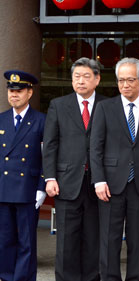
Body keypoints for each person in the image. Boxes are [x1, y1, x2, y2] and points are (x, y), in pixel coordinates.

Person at [90, 57, 139, 281]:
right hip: (110, 185)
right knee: (109, 239)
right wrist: (98, 180)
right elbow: (95, 147)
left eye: (130, 80)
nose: (125, 85)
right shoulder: (104, 108)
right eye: (121, 80)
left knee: (138, 240)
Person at [43, 57, 105, 281]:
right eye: (76, 77)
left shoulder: (107, 105)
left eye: (86, 76)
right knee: (66, 240)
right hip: (66, 182)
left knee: (93, 239)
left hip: (97, 184)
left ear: (97, 79)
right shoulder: (59, 105)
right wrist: (49, 177)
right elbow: (50, 144)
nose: (81, 81)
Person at [0, 70, 45, 281]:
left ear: (29, 92)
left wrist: (42, 186)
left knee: (26, 242)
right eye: (11, 90)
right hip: (3, 189)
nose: (14, 95)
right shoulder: (1, 120)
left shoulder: (41, 120)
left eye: (19, 91)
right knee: (5, 240)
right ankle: (7, 277)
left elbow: (48, 156)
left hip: (28, 190)